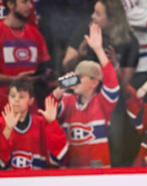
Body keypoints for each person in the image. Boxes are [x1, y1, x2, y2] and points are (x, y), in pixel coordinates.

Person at [53, 23, 119, 168]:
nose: (76, 81)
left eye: (81, 77)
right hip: (71, 171)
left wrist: (98, 49)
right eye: (75, 77)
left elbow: (112, 84)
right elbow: (49, 109)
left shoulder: (102, 103)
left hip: (98, 172)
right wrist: (61, 88)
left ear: (94, 82)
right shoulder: (68, 100)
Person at [0, 77, 67, 169]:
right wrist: (7, 129)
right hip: (9, 182)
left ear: (31, 100)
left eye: (21, 96)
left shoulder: (42, 123)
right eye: (12, 96)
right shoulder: (1, 123)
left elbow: (58, 158)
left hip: (38, 180)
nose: (16, 100)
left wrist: (52, 123)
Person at [0, 0, 51, 109]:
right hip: (3, 108)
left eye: (31, 2)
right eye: (24, 2)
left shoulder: (35, 34)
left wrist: (43, 75)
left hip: (31, 108)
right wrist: (14, 79)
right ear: (10, 4)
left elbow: (44, 68)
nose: (30, 6)